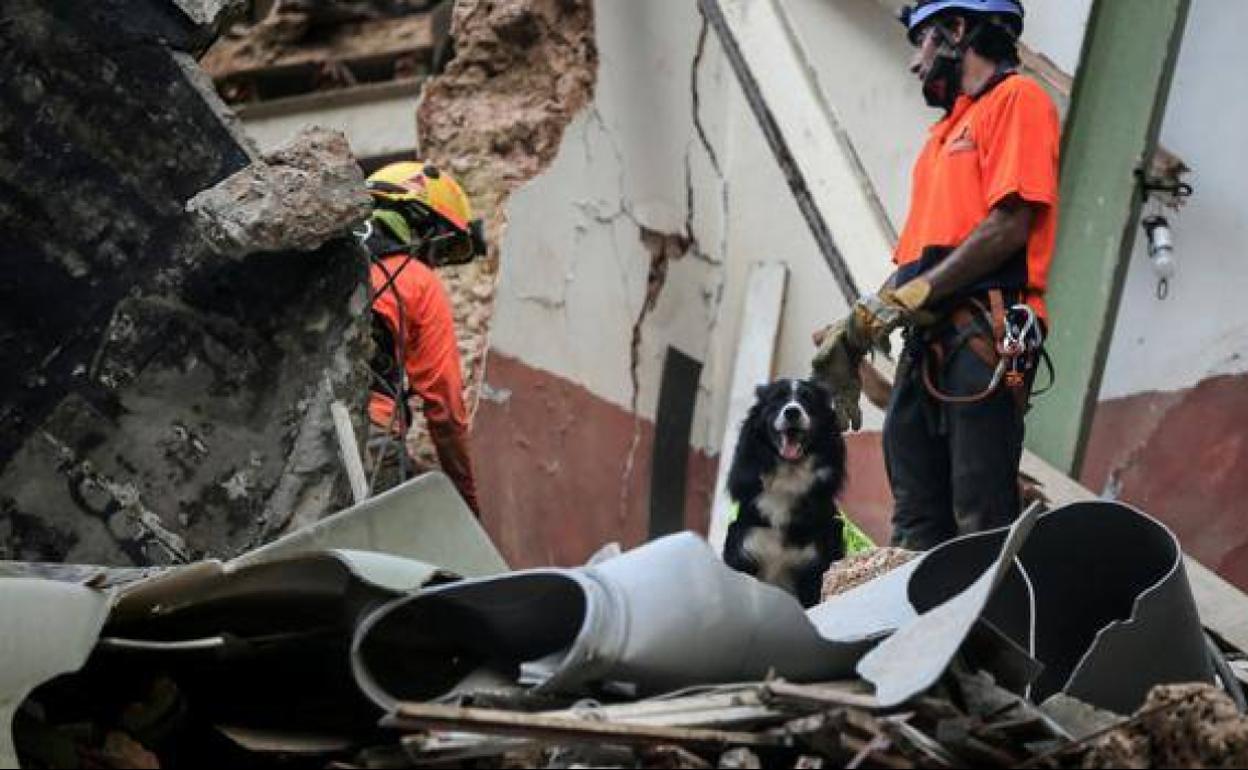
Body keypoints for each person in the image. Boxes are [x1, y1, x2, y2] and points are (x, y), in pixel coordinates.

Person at [812, 0, 1059, 550]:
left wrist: (915, 295)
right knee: (915, 521)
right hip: (929, 340)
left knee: (979, 512)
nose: (913, 62)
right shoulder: (941, 139)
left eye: (921, 40)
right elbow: (915, 262)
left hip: (988, 332)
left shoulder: (1018, 100)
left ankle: (990, 632)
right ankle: (924, 632)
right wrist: (854, 328)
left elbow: (1010, 223)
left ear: (958, 28)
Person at [358, 160, 487, 513]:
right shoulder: (415, 280)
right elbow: (443, 406)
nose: (436, 261)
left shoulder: (324, 257)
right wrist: (470, 502)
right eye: (441, 249)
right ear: (421, 224)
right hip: (369, 439)